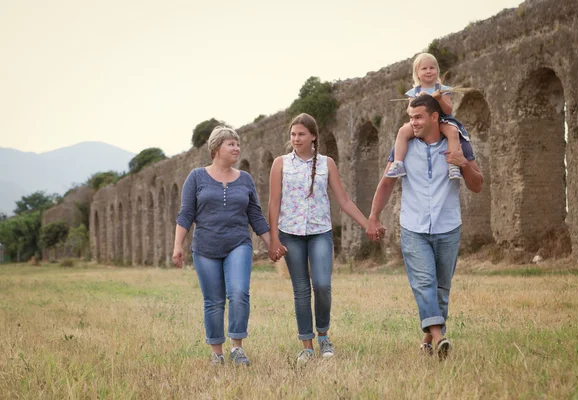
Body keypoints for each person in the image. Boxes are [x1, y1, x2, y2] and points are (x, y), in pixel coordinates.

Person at [367, 95, 483, 359]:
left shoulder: (458, 143)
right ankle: (441, 337)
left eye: (418, 117)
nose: (413, 122)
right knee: (424, 283)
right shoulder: (404, 147)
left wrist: (462, 164)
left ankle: (428, 340)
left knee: (441, 288)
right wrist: (373, 215)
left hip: (448, 226)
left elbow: (478, 185)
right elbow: (386, 183)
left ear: (434, 117)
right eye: (410, 118)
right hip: (413, 227)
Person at [267, 113, 372, 363]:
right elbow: (273, 203)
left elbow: (343, 200)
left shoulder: (327, 163)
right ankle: (307, 345)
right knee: (301, 290)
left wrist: (368, 223)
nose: (296, 138)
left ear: (313, 136)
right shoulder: (280, 164)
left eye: (301, 134)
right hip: (289, 234)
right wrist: (272, 239)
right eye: (293, 134)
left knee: (322, 285)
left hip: (319, 232)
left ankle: (324, 337)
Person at [172, 126, 275, 366]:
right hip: (205, 247)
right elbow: (186, 214)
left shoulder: (246, 179)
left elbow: (256, 216)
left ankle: (237, 348)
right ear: (216, 148)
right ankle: (216, 353)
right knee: (214, 300)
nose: (237, 148)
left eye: (238, 144)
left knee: (239, 292)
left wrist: (272, 244)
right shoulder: (196, 177)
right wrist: (178, 244)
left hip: (238, 243)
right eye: (231, 144)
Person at [386, 52, 470, 180]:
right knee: (403, 131)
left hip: (442, 120)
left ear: (437, 70)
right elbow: (410, 111)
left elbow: (448, 110)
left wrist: (440, 99)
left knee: (452, 131)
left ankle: (453, 165)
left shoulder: (442, 89)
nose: (428, 71)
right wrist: (417, 100)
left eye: (432, 68)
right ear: (417, 73)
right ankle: (398, 163)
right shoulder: (414, 92)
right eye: (424, 68)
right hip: (422, 122)